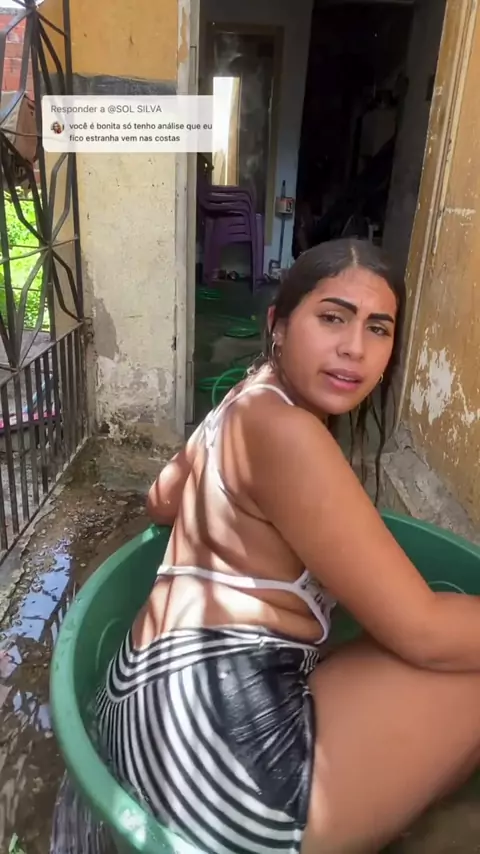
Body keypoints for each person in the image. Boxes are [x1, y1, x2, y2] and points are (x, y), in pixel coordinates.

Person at [94, 238, 480, 854]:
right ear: (278, 324)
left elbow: (161, 500)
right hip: (224, 780)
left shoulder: (243, 400)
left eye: (378, 328)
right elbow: (424, 631)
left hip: (136, 705)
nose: (355, 348)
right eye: (332, 317)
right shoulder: (287, 432)